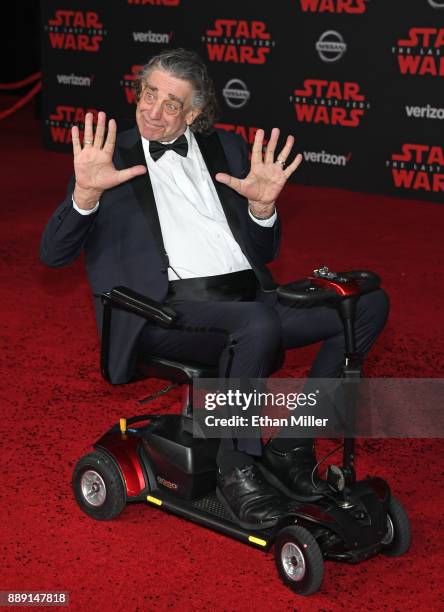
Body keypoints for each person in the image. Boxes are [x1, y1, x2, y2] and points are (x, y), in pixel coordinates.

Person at [41, 48, 389, 529]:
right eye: (148, 93)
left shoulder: (227, 147)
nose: (152, 110)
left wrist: (263, 211)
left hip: (247, 297)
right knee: (256, 321)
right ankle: (236, 466)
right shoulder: (106, 157)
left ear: (195, 113)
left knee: (365, 302)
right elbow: (52, 254)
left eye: (171, 103)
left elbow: (262, 250)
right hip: (165, 312)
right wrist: (85, 195)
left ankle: (292, 446)